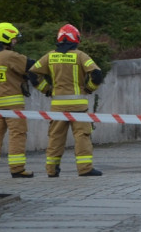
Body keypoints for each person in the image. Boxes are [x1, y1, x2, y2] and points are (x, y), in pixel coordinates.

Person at [32, 24, 104, 177]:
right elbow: (97, 74)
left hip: (57, 107)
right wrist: (89, 88)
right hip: (79, 106)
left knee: (55, 138)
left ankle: (51, 170)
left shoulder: (50, 56)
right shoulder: (80, 56)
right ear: (76, 39)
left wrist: (46, 90)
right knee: (82, 137)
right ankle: (85, 169)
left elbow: (33, 74)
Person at [0, 22, 37, 178]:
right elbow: (32, 66)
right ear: (5, 37)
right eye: (13, 39)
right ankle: (17, 169)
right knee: (17, 134)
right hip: (13, 103)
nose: (15, 42)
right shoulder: (10, 56)